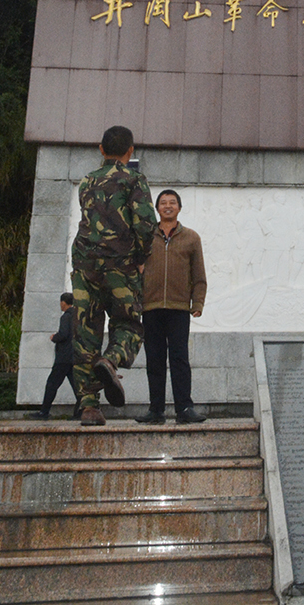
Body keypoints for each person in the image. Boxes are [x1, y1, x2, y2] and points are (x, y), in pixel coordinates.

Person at [71, 125, 157, 426]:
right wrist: (140, 258)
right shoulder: (133, 179)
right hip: (120, 265)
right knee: (129, 325)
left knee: (85, 333)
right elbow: (147, 225)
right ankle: (112, 359)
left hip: (84, 266)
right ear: (130, 151)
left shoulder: (86, 182)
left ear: (101, 148)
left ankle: (90, 408)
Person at [137, 188, 208, 425]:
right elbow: (132, 267)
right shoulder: (146, 236)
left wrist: (197, 302)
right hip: (151, 306)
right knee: (154, 360)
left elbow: (199, 274)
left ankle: (184, 408)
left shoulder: (191, 238)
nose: (168, 206)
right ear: (157, 208)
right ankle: (156, 410)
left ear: (179, 207)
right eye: (163, 203)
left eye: (172, 202)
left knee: (179, 359)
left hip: (179, 308)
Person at [28, 293, 79, 419]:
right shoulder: (77, 316)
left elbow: (63, 334)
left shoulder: (66, 317)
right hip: (74, 357)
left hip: (63, 358)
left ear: (63, 302)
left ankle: (44, 412)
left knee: (51, 384)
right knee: (78, 387)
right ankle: (80, 412)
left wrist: (54, 337)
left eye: (61, 302)